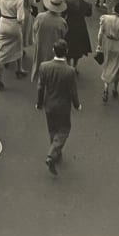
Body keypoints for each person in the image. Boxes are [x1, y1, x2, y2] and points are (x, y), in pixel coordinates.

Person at [36, 38, 81, 176]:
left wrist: (39, 102)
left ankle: (56, 151)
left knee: (52, 128)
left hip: (49, 103)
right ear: (66, 52)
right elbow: (73, 91)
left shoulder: (44, 66)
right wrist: (76, 104)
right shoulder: (70, 71)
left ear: (53, 51)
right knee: (64, 130)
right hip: (63, 105)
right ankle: (52, 154)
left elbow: (40, 87)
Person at [97, 2, 119, 102]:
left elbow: (100, 33)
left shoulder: (105, 18)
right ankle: (115, 88)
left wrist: (99, 45)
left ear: (114, 10)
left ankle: (106, 87)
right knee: (117, 67)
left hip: (108, 43)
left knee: (107, 64)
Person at [31, 0, 68, 82]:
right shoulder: (62, 21)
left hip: (40, 42)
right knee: (51, 63)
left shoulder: (40, 16)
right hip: (53, 45)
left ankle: (38, 77)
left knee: (38, 60)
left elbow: (34, 28)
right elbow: (64, 34)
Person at [64, 0, 92, 71]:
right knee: (78, 48)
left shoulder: (68, 1)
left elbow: (63, 13)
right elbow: (89, 14)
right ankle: (75, 66)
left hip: (69, 24)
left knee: (68, 45)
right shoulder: (87, 5)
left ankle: (68, 65)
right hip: (80, 26)